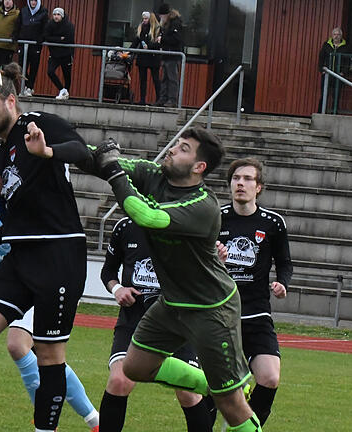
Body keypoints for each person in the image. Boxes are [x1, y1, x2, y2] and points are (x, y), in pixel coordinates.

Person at [86, 128, 262, 431]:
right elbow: (95, 158)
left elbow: (147, 217)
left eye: (183, 149)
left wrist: (113, 169)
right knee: (134, 367)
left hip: (211, 311)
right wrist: (50, 144)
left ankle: (225, 392)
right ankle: (213, 384)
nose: (171, 150)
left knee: (231, 406)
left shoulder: (203, 205)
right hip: (172, 304)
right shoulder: (156, 174)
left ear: (199, 167)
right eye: (175, 145)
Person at [0, 63, 91, 432]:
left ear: (11, 100)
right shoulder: (3, 156)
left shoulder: (38, 122)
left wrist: (49, 152)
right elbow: (20, 217)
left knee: (49, 356)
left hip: (59, 254)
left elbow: (81, 151)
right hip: (23, 254)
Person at [0, 204, 100, 431]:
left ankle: (48, 422)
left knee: (18, 344)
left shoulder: (33, 196)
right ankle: (94, 421)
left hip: (52, 280)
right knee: (45, 356)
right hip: (15, 289)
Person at [99, 216, 218, 432]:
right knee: (119, 381)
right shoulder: (125, 227)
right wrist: (118, 289)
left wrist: (216, 261)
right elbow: (108, 271)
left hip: (180, 324)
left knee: (188, 393)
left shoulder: (187, 227)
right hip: (134, 322)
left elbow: (206, 279)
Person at [219, 158, 292, 427]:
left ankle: (249, 427)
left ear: (258, 187)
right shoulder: (216, 217)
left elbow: (285, 262)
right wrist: (216, 259)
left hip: (258, 312)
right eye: (236, 178)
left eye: (248, 179)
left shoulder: (274, 223)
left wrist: (282, 283)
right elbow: (197, 262)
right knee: (210, 386)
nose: (241, 183)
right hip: (221, 314)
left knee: (270, 378)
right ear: (229, 185)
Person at [15, 0, 47, 96]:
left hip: (35, 44)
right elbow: (18, 24)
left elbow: (45, 27)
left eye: (35, 1)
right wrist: (15, 36)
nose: (33, 2)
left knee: (34, 67)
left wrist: (41, 38)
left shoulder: (43, 12)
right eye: (32, 0)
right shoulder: (24, 11)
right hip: (23, 42)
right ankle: (26, 85)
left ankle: (30, 87)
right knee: (20, 66)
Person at [155, 3, 183, 107]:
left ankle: (172, 100)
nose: (160, 18)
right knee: (164, 79)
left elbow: (177, 39)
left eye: (161, 16)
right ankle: (163, 98)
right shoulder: (166, 24)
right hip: (166, 55)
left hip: (173, 55)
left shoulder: (175, 23)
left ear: (166, 15)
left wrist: (162, 39)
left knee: (172, 79)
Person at [43, 7, 74, 100]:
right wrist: (59, 38)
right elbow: (46, 36)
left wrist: (55, 39)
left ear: (62, 16)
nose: (56, 17)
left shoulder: (68, 25)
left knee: (67, 75)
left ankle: (66, 93)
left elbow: (68, 39)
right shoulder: (50, 24)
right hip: (54, 54)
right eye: (54, 15)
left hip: (66, 53)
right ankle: (62, 90)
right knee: (50, 71)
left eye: (58, 15)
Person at [131, 11, 161, 105]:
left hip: (153, 57)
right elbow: (135, 42)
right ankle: (142, 99)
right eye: (143, 19)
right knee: (142, 79)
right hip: (143, 57)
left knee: (155, 79)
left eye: (146, 19)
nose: (144, 20)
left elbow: (158, 44)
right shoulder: (141, 29)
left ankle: (158, 99)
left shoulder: (156, 29)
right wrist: (127, 51)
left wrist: (149, 46)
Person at [317, 27, 348, 112]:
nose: (336, 36)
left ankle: (334, 113)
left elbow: (348, 61)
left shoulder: (345, 47)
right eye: (335, 34)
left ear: (341, 36)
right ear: (332, 35)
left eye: (338, 34)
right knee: (324, 94)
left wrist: (343, 72)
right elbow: (321, 58)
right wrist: (321, 69)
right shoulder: (326, 45)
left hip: (338, 75)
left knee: (336, 95)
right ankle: (320, 112)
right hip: (327, 74)